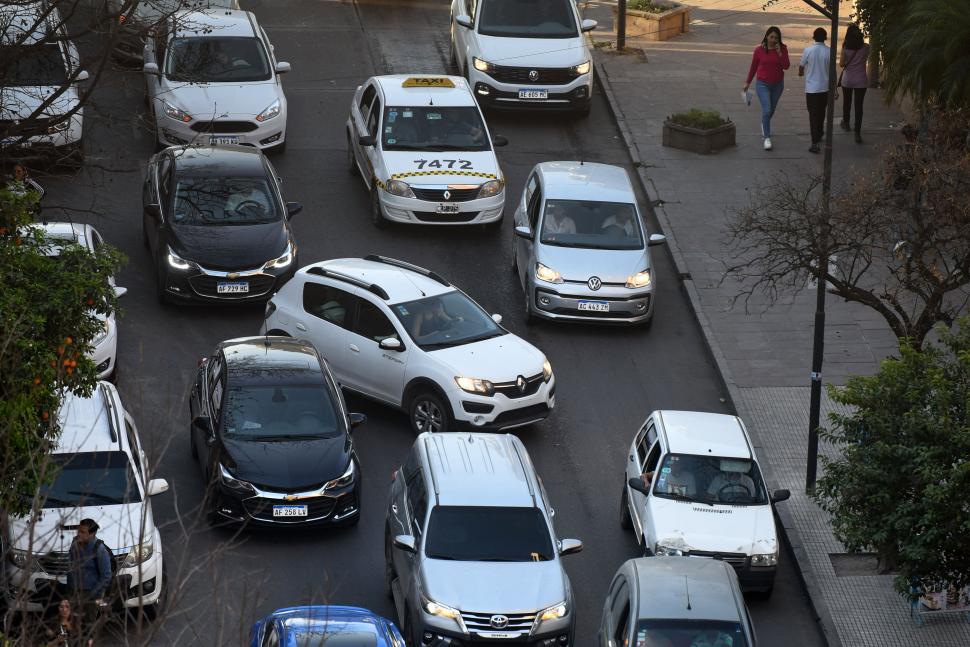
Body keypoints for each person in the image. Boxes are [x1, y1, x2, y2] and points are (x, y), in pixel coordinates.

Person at [743, 26, 790, 151]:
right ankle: (767, 138)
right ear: (767, 36)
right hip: (762, 84)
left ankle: (764, 124)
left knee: (771, 111)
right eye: (771, 37)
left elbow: (786, 66)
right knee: (767, 109)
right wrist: (748, 82)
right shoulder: (759, 50)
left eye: (776, 37)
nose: (773, 40)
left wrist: (780, 53)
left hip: (778, 85)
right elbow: (753, 67)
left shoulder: (783, 49)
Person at [799, 27, 831, 154]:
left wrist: (801, 73)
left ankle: (814, 141)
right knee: (822, 111)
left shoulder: (808, 50)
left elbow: (801, 67)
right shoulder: (829, 51)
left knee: (812, 114)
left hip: (811, 88)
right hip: (824, 87)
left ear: (813, 37)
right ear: (825, 38)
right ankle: (820, 131)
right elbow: (832, 70)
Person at [839, 23, 869, 144]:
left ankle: (846, 123)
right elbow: (866, 57)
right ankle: (857, 133)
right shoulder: (866, 47)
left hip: (847, 80)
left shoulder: (845, 47)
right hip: (861, 80)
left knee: (847, 102)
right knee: (859, 106)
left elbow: (841, 64)